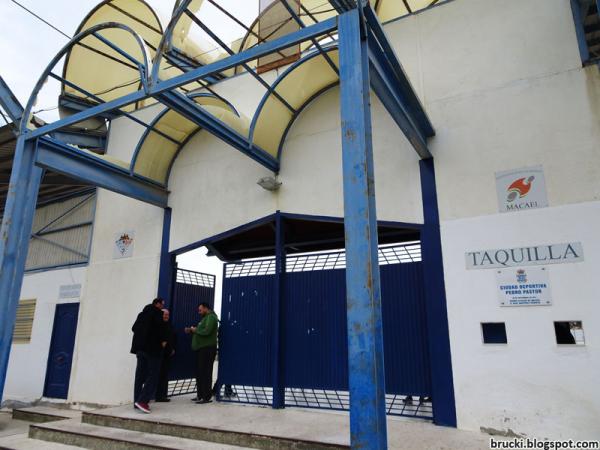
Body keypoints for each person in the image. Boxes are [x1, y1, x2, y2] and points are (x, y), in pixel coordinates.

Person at [131, 297, 167, 414]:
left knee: (139, 376)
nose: (162, 307)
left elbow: (134, 328)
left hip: (139, 349)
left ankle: (137, 401)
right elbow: (160, 331)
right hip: (152, 350)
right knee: (153, 375)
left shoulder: (141, 314)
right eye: (162, 305)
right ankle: (143, 401)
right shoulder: (157, 314)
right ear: (157, 304)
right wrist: (162, 341)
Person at [185, 302, 218, 404]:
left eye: (200, 310)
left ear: (205, 308)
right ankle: (200, 395)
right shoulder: (205, 318)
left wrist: (195, 330)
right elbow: (201, 330)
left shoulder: (211, 317)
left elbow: (207, 331)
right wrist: (191, 330)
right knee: (200, 373)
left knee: (206, 373)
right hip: (201, 349)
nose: (199, 312)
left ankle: (206, 397)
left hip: (207, 349)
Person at [155, 308, 177, 402]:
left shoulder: (169, 325)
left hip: (167, 354)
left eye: (167, 315)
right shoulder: (157, 325)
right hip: (157, 353)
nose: (166, 316)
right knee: (157, 375)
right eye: (164, 314)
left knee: (164, 375)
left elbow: (173, 337)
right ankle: (156, 395)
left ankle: (162, 395)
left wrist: (173, 348)